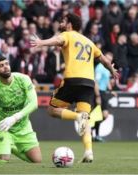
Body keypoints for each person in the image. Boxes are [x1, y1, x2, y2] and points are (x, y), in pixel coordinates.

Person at [30, 13, 119, 163]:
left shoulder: (68, 35)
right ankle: (89, 151)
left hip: (72, 79)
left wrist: (41, 42)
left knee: (52, 110)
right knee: (85, 117)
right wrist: (112, 70)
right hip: (89, 83)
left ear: (70, 24)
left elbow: (58, 39)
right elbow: (104, 59)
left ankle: (77, 116)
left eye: (63, 21)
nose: (61, 23)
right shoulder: (89, 41)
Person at [0, 56, 42, 164]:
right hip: (4, 127)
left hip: (23, 127)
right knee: (3, 161)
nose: (5, 67)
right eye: (1, 66)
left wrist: (15, 118)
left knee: (37, 161)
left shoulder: (23, 79)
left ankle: (5, 147)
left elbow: (34, 104)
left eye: (6, 64)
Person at [93, 52, 117, 142]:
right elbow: (95, 82)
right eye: (107, 58)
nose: (108, 61)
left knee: (104, 115)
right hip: (98, 93)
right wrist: (98, 95)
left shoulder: (107, 68)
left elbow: (106, 81)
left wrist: (111, 91)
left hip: (104, 93)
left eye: (110, 59)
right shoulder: (99, 67)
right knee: (99, 115)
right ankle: (96, 135)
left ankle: (93, 132)